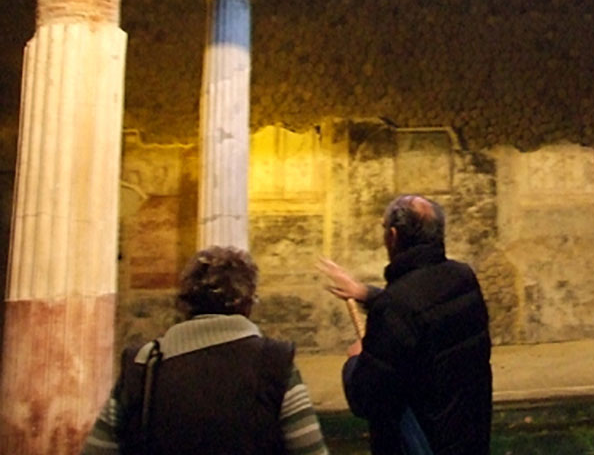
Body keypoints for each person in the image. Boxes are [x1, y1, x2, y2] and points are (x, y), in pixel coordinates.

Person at [82, 246, 329, 455]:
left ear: (185, 302)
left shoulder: (143, 363)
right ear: (248, 302)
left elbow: (98, 448)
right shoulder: (275, 363)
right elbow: (310, 448)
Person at [318, 194, 492, 455]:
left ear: (393, 236)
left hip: (425, 442)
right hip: (466, 437)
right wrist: (364, 292)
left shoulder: (396, 307)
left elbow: (366, 398)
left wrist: (355, 360)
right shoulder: (463, 277)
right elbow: (423, 311)